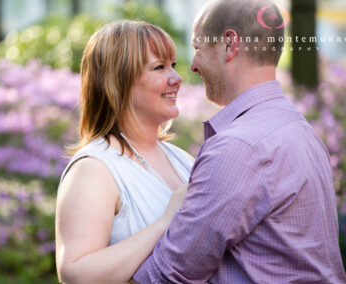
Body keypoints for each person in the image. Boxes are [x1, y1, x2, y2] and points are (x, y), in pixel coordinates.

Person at [133, 0, 346, 283]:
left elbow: (172, 272)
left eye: (197, 48)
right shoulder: (301, 130)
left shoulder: (238, 148)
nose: (192, 67)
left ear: (229, 45)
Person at [55, 20, 194, 284]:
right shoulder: (94, 169)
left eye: (173, 66)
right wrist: (164, 224)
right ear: (117, 82)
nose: (176, 79)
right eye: (159, 67)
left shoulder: (182, 159)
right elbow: (76, 275)